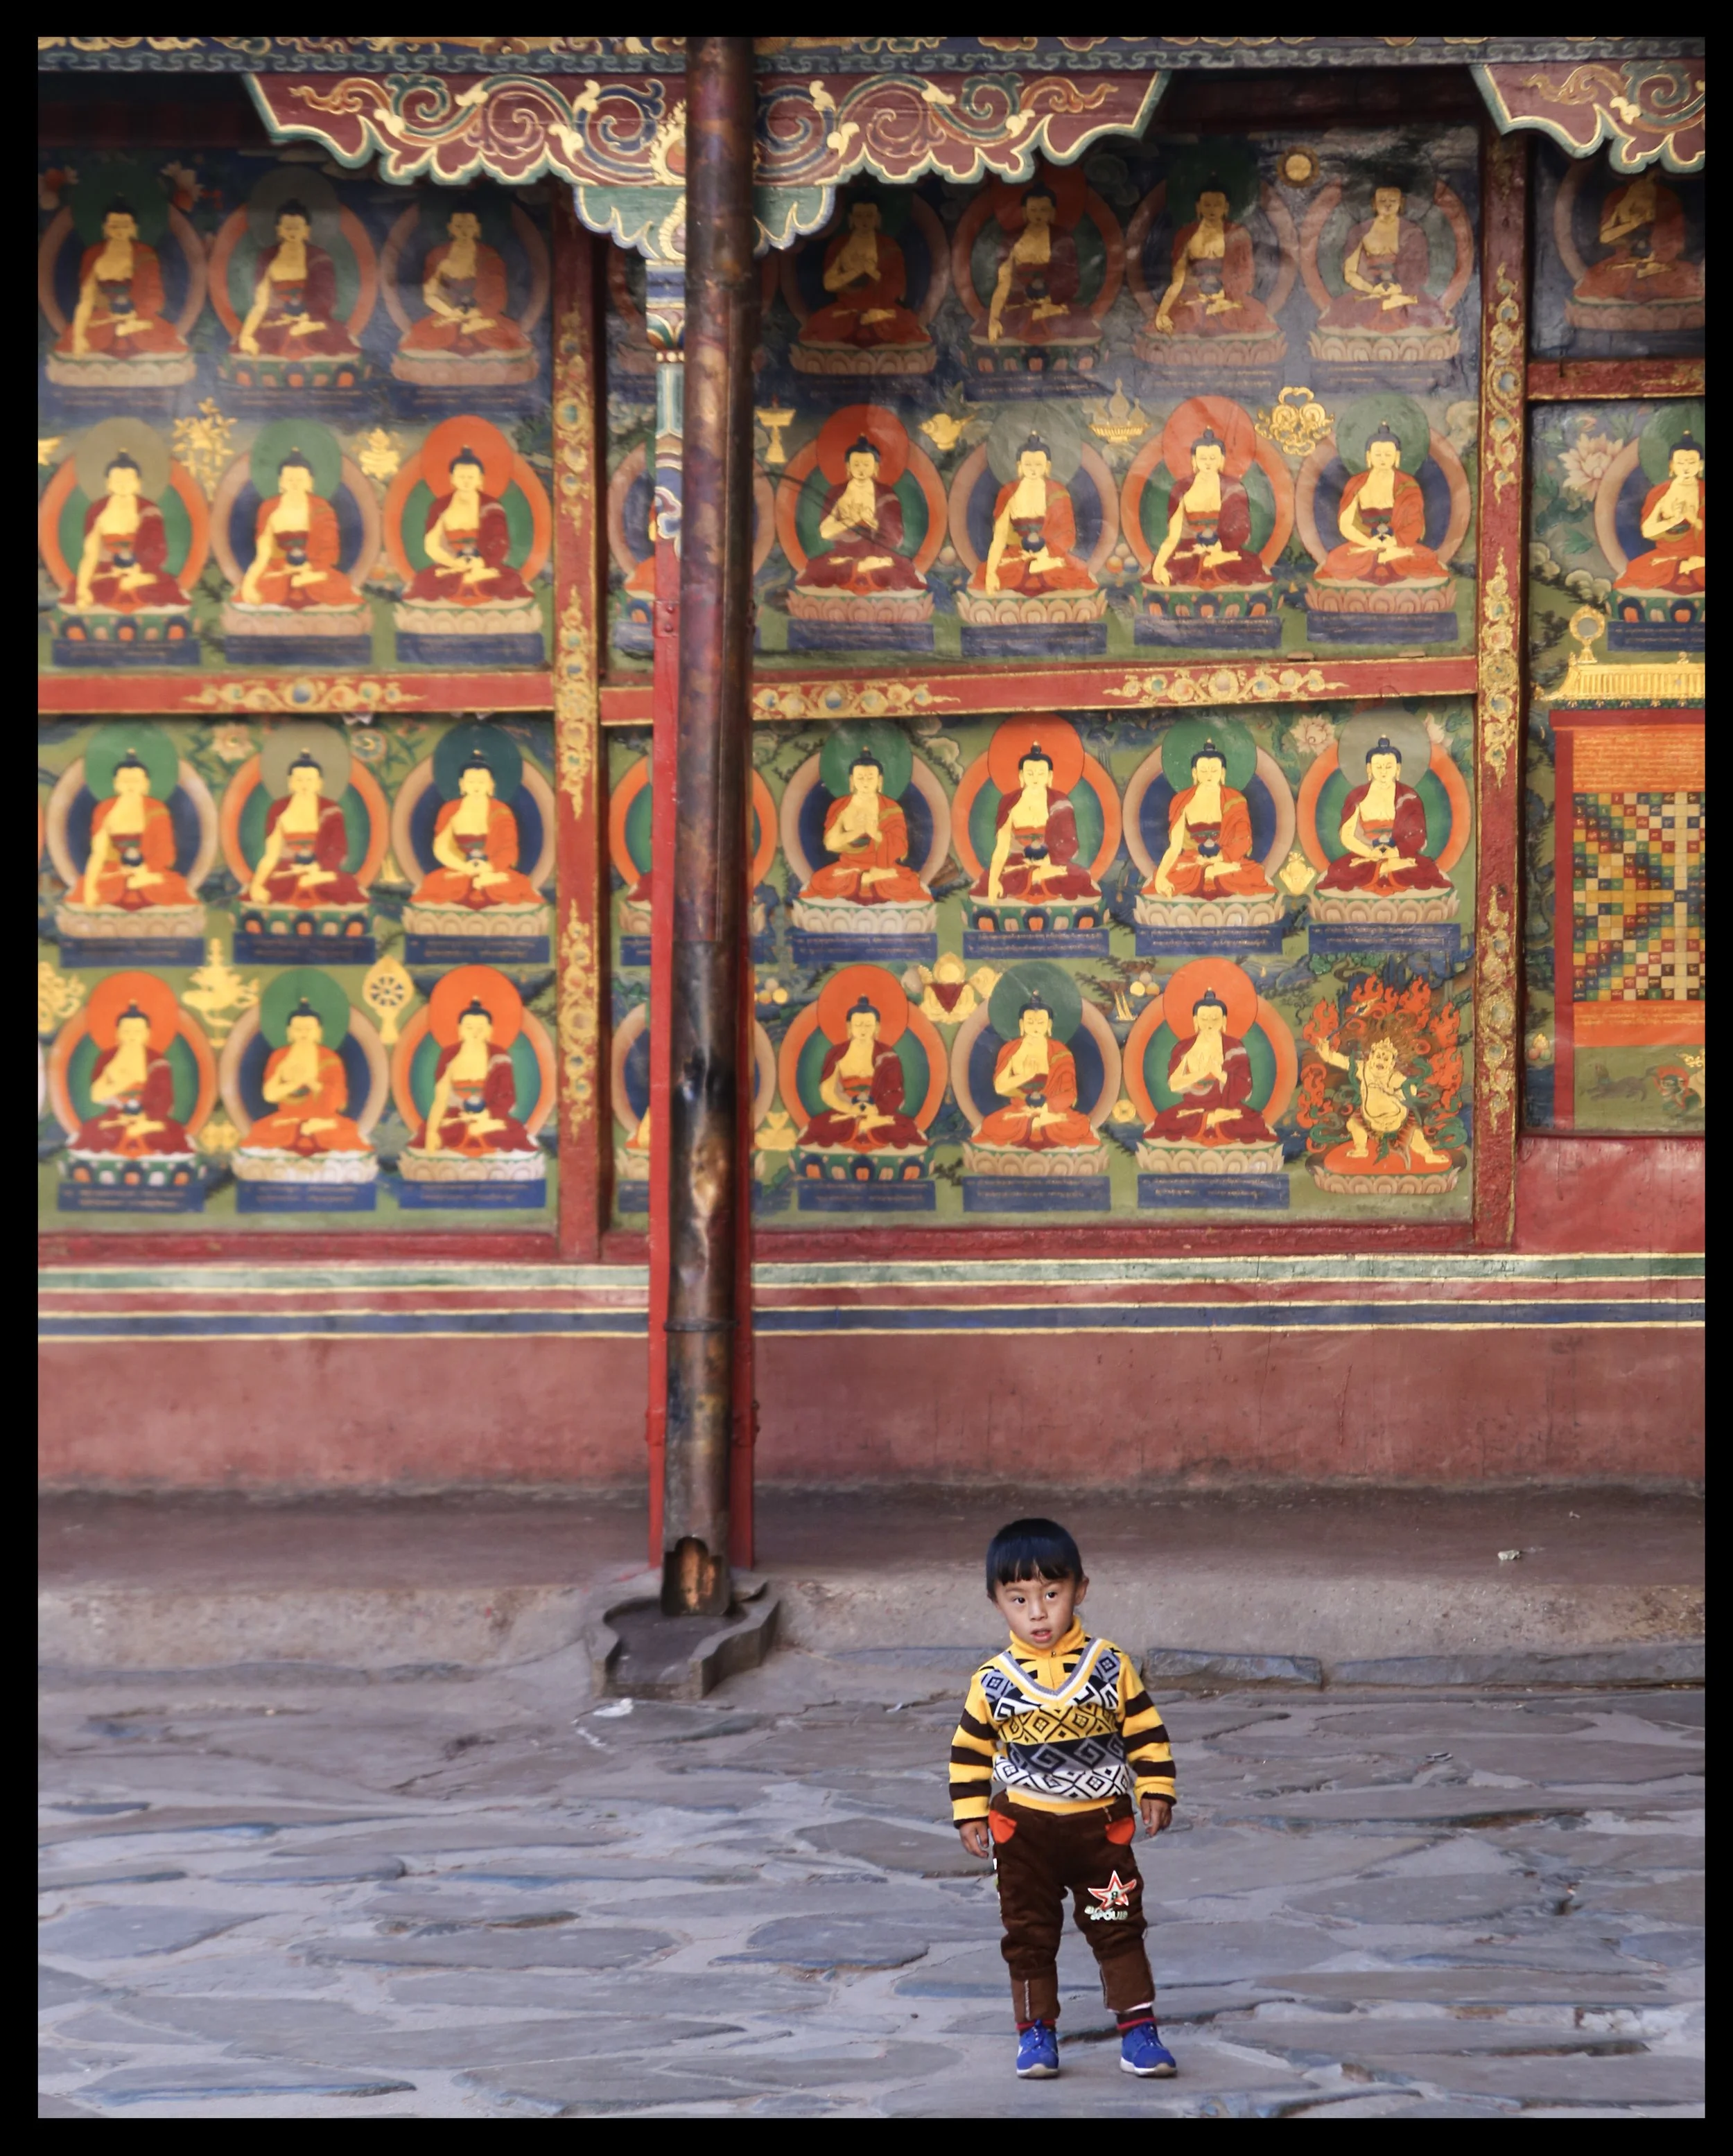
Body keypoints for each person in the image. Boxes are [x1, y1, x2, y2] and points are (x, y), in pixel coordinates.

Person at [951, 1517, 1178, 2080]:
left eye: (1052, 1594)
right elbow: (970, 1751)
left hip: (1100, 1834)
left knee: (1116, 1922)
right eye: (1019, 1598)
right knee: (1029, 1933)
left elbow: (1145, 1732)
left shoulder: (1108, 1664)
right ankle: (1036, 2034)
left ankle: (1138, 2029)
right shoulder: (992, 1680)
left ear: (1081, 1588)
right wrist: (971, 1813)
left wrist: (1155, 1788)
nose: (1038, 1612)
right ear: (996, 1601)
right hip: (1023, 1833)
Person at [1312, 421, 1449, 587]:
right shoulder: (1357, 484)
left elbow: (1416, 524)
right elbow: (1346, 524)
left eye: (1388, 454)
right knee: (1337, 559)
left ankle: (1393, 556)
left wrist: (1394, 543)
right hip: (1365, 544)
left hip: (1398, 545)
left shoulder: (1408, 484)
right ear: (1368, 457)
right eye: (1378, 454)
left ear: (1397, 457)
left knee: (1426, 557)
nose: (1383, 459)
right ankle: (1386, 557)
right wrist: (1369, 543)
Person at [54, 198, 190, 362]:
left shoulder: (145, 253)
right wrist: (81, 333)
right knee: (73, 337)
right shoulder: (93, 254)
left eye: (125, 226)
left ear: (134, 228)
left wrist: (136, 314)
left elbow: (155, 293)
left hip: (139, 318)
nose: (120, 231)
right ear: (105, 228)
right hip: (104, 316)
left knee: (165, 333)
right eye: (114, 226)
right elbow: (87, 295)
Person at [793, 437, 928, 597]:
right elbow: (824, 532)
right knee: (817, 569)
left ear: (875, 467)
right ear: (848, 466)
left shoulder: (886, 494)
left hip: (878, 553)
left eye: (866, 465)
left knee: (904, 568)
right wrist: (850, 521)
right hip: (843, 554)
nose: (861, 469)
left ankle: (865, 566)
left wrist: (873, 523)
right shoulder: (837, 494)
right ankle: (862, 567)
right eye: (856, 464)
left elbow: (896, 538)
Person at [1315, 736, 1451, 893]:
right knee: (1341, 872)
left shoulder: (1409, 797)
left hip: (1399, 854)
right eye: (1378, 767)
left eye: (1389, 766)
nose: (1384, 772)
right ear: (1369, 769)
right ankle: (1384, 868)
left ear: (1398, 769)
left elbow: (1418, 836)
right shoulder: (1357, 797)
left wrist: (1395, 852)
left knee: (1425, 870)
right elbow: (1347, 836)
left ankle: (1386, 868)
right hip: (1367, 855)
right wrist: (1370, 853)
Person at [412, 748, 541, 909]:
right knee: (434, 883)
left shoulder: (501, 811)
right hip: (460, 870)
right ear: (462, 784)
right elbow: (441, 848)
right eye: (471, 782)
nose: (476, 787)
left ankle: (488, 881)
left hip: (492, 871)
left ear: (491, 785)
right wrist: (463, 867)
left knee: (518, 884)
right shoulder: (450, 810)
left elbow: (509, 850)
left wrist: (489, 868)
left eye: (482, 782)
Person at [1143, 990, 1278, 1145]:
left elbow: (1245, 1088)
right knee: (1164, 1121)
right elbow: (1174, 1085)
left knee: (1254, 1122)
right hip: (1193, 1108)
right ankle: (1213, 1119)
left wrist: (1220, 1074)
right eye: (1204, 1018)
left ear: (1223, 1020)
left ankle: (1213, 1119)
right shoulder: (1185, 1048)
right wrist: (1202, 1073)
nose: (1209, 1023)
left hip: (1228, 1106)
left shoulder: (1234, 1048)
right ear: (1196, 1021)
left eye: (1215, 1018)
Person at [234, 199, 362, 360]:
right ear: (279, 230)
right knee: (265, 337)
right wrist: (247, 335)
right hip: (278, 322)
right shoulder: (268, 258)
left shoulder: (318, 257)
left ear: (306, 231)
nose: (292, 232)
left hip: (313, 322)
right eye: (287, 228)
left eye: (297, 228)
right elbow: (261, 304)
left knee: (327, 334)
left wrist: (309, 320)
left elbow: (326, 299)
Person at [974, 435, 1098, 599]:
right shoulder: (1009, 493)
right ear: (1019, 466)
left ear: (1048, 466)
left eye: (1038, 464)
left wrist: (1044, 555)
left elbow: (1068, 535)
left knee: (1078, 571)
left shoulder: (1058, 492)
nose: (1033, 469)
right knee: (986, 573)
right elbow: (1000, 537)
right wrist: (991, 573)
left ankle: (1039, 567)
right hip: (1018, 555)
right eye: (1028, 464)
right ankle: (1033, 569)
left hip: (1049, 554)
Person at [1146, 742, 1274, 900]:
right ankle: (1209, 874)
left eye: (1214, 770)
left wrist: (1218, 859)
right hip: (1193, 863)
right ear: (1194, 773)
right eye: (1203, 770)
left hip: (1227, 860)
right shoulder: (1182, 801)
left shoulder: (1235, 800)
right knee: (1170, 876)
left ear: (1223, 773)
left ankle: (1211, 874)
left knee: (1254, 873)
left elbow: (1243, 841)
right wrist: (1161, 877)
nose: (1209, 775)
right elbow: (1175, 847)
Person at [798, 994, 926, 1152]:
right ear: (849, 1027)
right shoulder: (837, 1054)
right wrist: (849, 1107)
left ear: (877, 1027)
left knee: (905, 1128)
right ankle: (863, 1127)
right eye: (858, 1024)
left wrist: (876, 1110)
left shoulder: (886, 1054)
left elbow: (895, 1091)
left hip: (878, 1111)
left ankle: (866, 1126)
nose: (863, 1030)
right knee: (819, 1126)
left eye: (868, 1025)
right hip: (846, 1110)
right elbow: (828, 1091)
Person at [238, 448, 363, 610]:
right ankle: (294, 583)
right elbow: (263, 555)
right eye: (289, 479)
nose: (294, 483)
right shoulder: (269, 509)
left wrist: (306, 569)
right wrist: (249, 583)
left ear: (310, 482)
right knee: (262, 585)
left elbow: (330, 553)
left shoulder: (322, 509)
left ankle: (300, 582)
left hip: (313, 571)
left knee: (340, 585)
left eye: (300, 479)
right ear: (281, 482)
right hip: (280, 572)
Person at [974, 744, 1099, 904]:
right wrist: (993, 882)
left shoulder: (1060, 803)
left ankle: (1036, 876)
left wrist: (1046, 862)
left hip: (1051, 862)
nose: (1035, 778)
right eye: (1030, 773)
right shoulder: (1010, 803)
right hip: (1021, 862)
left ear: (1049, 776)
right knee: (988, 879)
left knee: (1081, 877)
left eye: (1041, 773)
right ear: (1021, 776)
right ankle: (1036, 876)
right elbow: (1002, 847)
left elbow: (1068, 843)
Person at [1145, 430, 1269, 591]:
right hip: (1191, 551)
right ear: (1194, 461)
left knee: (1247, 566)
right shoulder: (1182, 489)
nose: (1208, 463)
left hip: (1225, 550)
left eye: (1213, 458)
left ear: (1221, 460)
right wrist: (1158, 566)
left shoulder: (1233, 488)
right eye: (1203, 458)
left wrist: (1219, 550)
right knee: (1175, 567)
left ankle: (1218, 560)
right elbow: (1173, 537)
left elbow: (1240, 528)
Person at [800, 748, 927, 905]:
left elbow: (900, 848)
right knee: (820, 880)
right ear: (852, 781)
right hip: (849, 867)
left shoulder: (891, 808)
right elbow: (831, 844)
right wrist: (855, 832)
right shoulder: (841, 807)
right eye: (860, 777)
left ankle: (867, 879)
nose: (866, 782)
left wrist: (876, 834)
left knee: (910, 882)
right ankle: (865, 879)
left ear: (880, 781)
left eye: (870, 777)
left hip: (883, 868)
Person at [71, 750, 195, 910]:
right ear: (115, 784)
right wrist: (90, 888)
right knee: (85, 886)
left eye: (136, 781)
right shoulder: (105, 810)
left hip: (149, 872)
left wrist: (143, 873)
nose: (130, 785)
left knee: (175, 885)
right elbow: (99, 853)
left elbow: (166, 854)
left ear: (146, 785)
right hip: (116, 872)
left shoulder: (157, 809)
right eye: (125, 780)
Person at [975, 992, 1100, 1151]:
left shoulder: (1060, 1052)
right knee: (991, 1125)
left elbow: (1070, 1094)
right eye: (1030, 1022)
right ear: (1021, 1024)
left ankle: (1038, 1123)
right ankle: (1036, 1124)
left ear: (1049, 1025)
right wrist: (1024, 1076)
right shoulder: (1011, 1050)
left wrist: (1046, 1108)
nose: (1035, 1027)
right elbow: (1000, 1087)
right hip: (1020, 1110)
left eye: (1040, 1022)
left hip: (1052, 1111)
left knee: (1080, 1125)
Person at [245, 1001, 369, 1155]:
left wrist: (312, 1083)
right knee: (260, 1130)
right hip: (288, 1120)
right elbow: (270, 1096)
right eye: (298, 1029)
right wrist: (295, 1082)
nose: (303, 1033)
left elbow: (337, 1101)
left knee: (348, 1129)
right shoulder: (280, 1057)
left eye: (309, 1029)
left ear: (319, 1032)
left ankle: (318, 1126)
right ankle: (307, 1128)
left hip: (324, 1119)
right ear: (289, 1032)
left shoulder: (329, 1058)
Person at [800, 201, 928, 351]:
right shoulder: (840, 245)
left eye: (869, 216)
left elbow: (897, 287)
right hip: (847, 310)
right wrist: (854, 272)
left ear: (877, 219)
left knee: (907, 322)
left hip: (882, 310)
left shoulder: (889, 246)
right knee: (820, 322)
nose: (864, 221)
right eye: (859, 216)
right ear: (851, 219)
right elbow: (829, 283)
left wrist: (873, 272)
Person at [1614, 438, 1705, 595]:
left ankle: (1684, 567)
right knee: (1636, 569)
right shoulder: (1660, 493)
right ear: (1671, 466)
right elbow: (1647, 532)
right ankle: (1680, 567)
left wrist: (1695, 521)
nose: (1686, 468)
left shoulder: (1703, 493)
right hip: (1666, 555)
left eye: (1691, 462)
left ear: (1700, 465)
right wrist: (1672, 521)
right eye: (1681, 462)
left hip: (1699, 555)